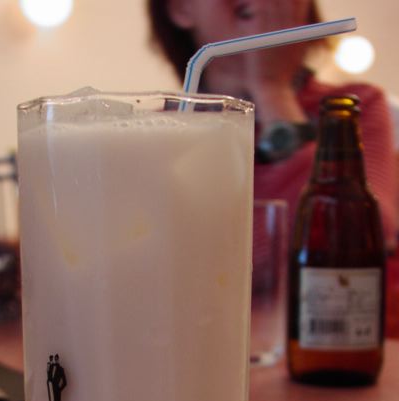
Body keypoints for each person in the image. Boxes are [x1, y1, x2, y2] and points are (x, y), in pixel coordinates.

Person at [147, 0, 398, 250]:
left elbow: (365, 235)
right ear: (180, 8)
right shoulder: (155, 130)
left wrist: (271, 88)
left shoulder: (356, 106)